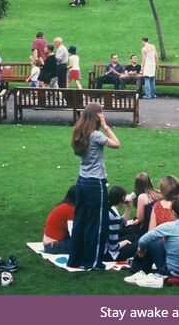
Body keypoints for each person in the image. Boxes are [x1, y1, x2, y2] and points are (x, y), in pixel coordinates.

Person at [67, 102, 120, 270]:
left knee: (80, 221)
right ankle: (93, 262)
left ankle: (75, 259)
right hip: (95, 184)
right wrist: (106, 126)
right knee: (96, 225)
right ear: (98, 116)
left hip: (81, 182)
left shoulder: (79, 132)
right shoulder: (96, 135)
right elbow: (116, 143)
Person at [127, 197, 179, 281]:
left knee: (154, 242)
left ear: (173, 212)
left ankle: (138, 268)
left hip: (173, 272)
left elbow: (143, 240)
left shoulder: (169, 227)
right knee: (161, 243)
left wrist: (141, 249)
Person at [104, 185, 138, 262]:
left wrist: (129, 207)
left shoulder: (109, 209)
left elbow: (121, 225)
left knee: (135, 237)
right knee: (139, 243)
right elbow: (113, 247)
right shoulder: (113, 217)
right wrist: (124, 242)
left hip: (105, 246)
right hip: (108, 254)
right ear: (123, 198)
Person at [43, 186, 76, 255]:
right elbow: (74, 234)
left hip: (51, 244)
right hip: (54, 246)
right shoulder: (70, 209)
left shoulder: (65, 205)